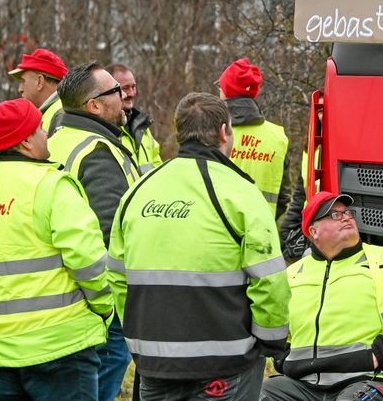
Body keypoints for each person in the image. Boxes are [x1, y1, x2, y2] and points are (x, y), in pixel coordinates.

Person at [109, 92, 291, 400]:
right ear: (224, 132)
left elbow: (117, 276)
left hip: (155, 361)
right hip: (226, 361)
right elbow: (269, 280)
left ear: (179, 133)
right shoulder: (240, 191)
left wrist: (142, 338)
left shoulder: (139, 190)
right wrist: (270, 340)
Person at [0, 98, 113, 400]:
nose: (46, 135)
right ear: (24, 142)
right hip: (59, 342)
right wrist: (104, 307)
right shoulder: (51, 186)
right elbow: (88, 261)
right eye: (40, 129)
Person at [262, 192, 383, 401]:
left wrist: (379, 354)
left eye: (348, 212)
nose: (346, 217)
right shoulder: (292, 274)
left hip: (371, 377)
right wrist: (281, 358)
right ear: (313, 231)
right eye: (334, 215)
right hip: (302, 383)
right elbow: (275, 325)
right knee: (259, 393)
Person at [48, 62, 140, 401]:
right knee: (108, 365)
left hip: (66, 290)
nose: (125, 95)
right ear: (95, 105)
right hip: (101, 294)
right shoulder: (96, 150)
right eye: (116, 90)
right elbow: (111, 229)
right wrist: (115, 297)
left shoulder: (58, 140)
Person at [218, 59, 290, 218]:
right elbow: (284, 197)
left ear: (227, 90)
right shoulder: (277, 137)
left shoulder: (213, 130)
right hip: (262, 233)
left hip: (217, 232)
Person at [106, 63, 162, 173]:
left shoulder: (142, 126)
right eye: (125, 88)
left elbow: (158, 165)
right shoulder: (106, 129)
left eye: (133, 87)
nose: (131, 93)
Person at [9, 47, 68, 132]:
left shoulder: (60, 116)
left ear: (39, 81)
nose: (20, 89)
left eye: (23, 81)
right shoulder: (61, 110)